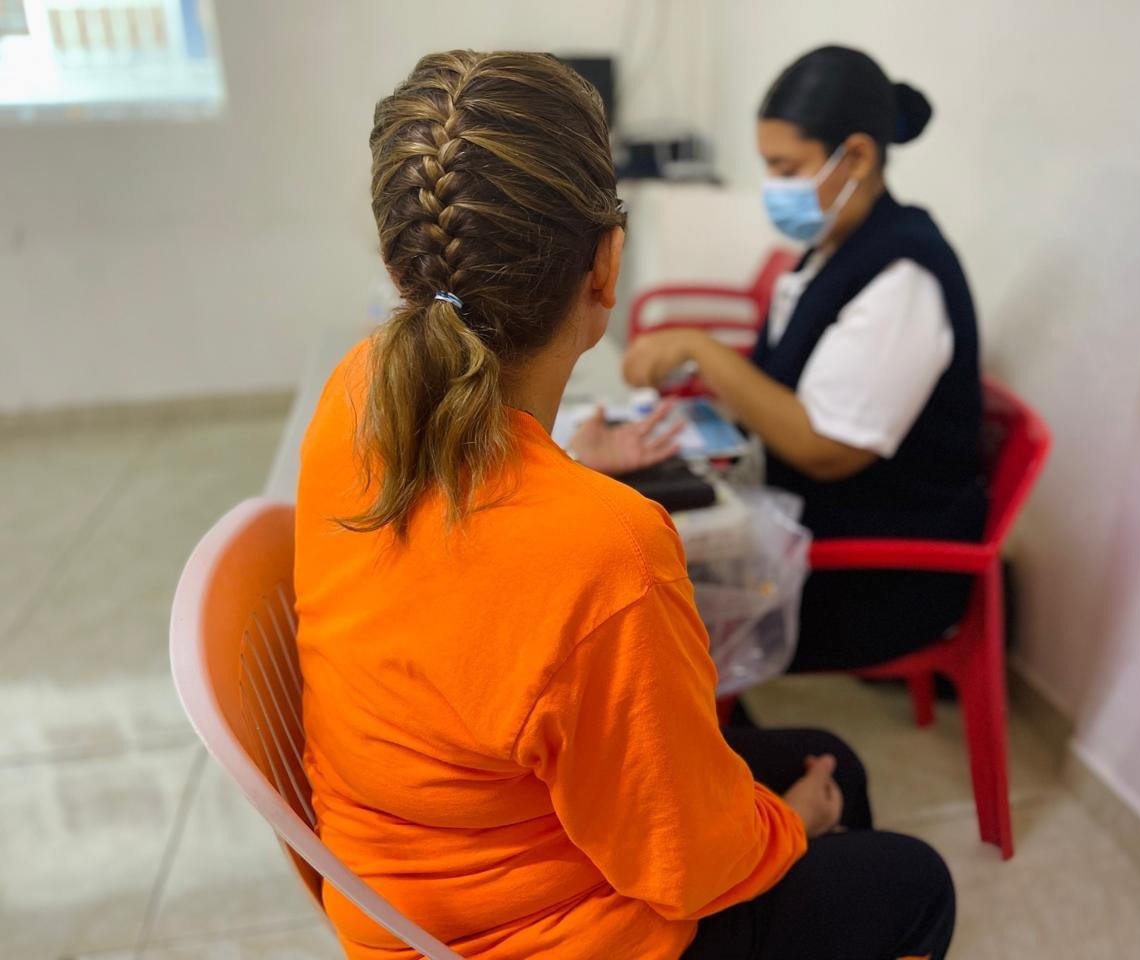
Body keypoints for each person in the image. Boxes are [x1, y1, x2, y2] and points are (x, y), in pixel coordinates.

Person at [294, 50, 954, 960]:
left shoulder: (358, 388)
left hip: (400, 883)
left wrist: (559, 464)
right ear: (607, 268)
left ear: (396, 259)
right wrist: (794, 823)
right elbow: (689, 869)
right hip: (527, 934)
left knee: (821, 753)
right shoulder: (608, 551)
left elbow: (469, 561)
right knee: (911, 880)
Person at [622, 46, 987, 674]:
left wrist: (700, 349)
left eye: (786, 168)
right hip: (809, 527)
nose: (774, 188)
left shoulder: (903, 275)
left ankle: (708, 733)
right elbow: (787, 383)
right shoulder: (830, 251)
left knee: (635, 610)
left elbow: (825, 448)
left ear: (858, 157)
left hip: (877, 576)